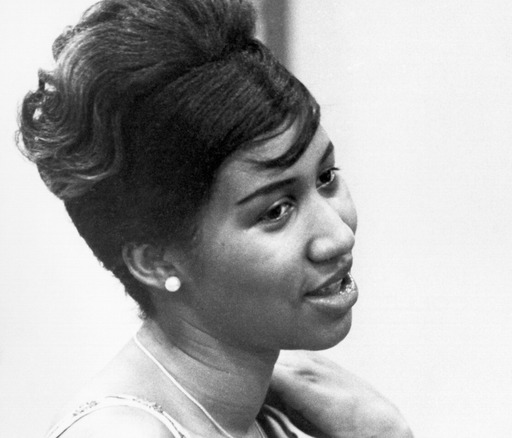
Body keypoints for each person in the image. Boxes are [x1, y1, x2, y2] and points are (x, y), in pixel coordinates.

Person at [17, 0, 413, 436]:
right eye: (276, 211)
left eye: (326, 177)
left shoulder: (259, 417)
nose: (337, 235)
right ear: (156, 261)